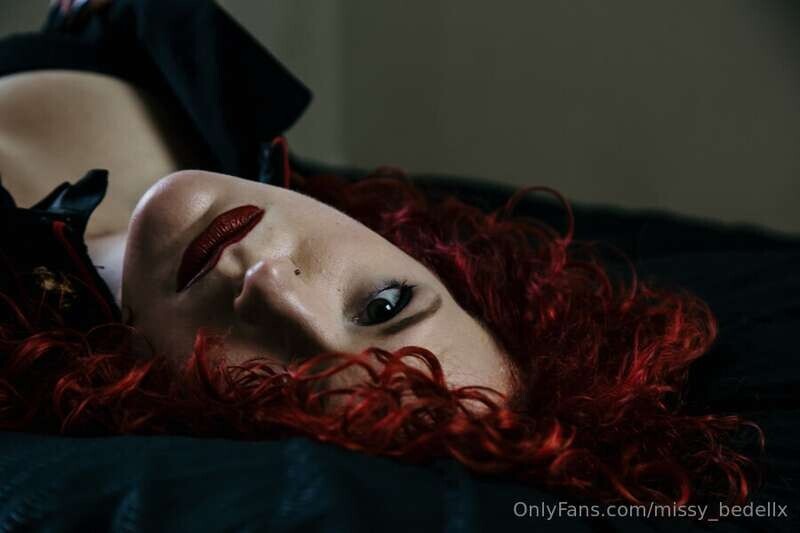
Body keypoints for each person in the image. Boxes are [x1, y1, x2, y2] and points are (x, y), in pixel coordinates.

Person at [1, 1, 798, 527]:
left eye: (277, 390)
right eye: (383, 305)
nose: (273, 290)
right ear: (437, 263)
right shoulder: (225, 112)